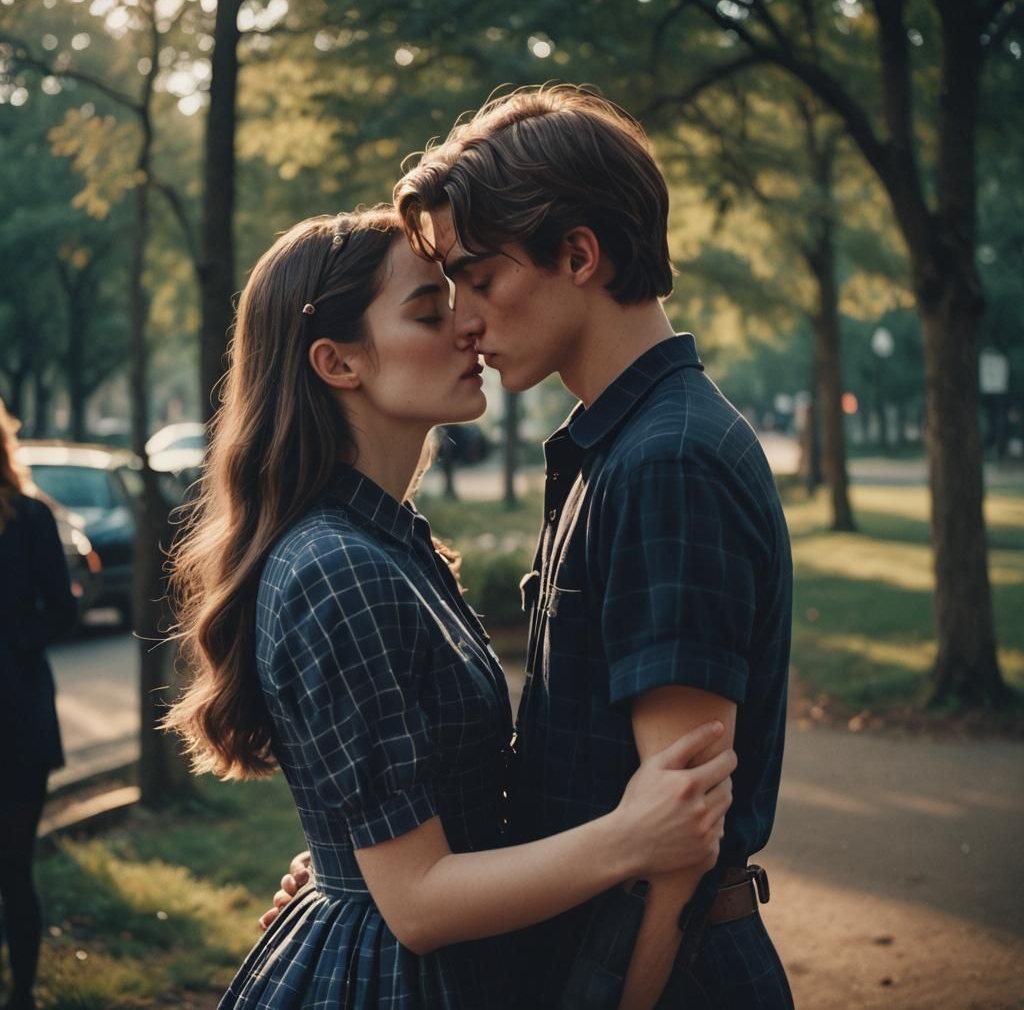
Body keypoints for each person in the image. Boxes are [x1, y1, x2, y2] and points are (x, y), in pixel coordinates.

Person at [164, 207, 737, 1009]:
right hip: (397, 978)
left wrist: (346, 858)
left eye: (462, 299)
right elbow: (420, 904)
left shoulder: (389, 542)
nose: (468, 327)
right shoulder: (338, 565)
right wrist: (630, 839)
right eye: (430, 312)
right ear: (337, 362)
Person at [388, 85, 795, 1008]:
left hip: (663, 978)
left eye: (479, 279)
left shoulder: (669, 461)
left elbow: (680, 842)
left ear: (579, 254)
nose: (461, 320)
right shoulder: (621, 443)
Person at [0, 399, 76, 1010]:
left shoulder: (28, 518)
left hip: (18, 715)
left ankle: (22, 994)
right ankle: (22, 995)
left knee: (14, 871)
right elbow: (64, 611)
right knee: (15, 870)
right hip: (22, 712)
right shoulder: (32, 517)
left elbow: (64, 612)